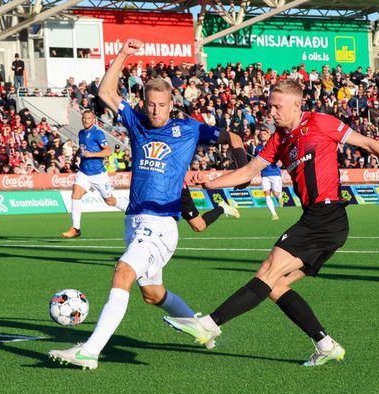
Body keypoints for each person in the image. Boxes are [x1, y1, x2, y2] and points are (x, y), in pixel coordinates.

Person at [163, 79, 379, 366]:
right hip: (320, 220)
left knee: (267, 271)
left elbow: (369, 143)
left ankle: (209, 323)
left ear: (297, 104)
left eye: (276, 106)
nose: (271, 112)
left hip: (326, 216)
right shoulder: (279, 140)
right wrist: (212, 182)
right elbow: (247, 171)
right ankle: (325, 344)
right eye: (269, 106)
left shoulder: (321, 122)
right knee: (275, 286)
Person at [49, 39, 240, 369]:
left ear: (170, 104)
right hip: (135, 220)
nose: (155, 110)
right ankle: (204, 331)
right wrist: (123, 54)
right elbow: (107, 93)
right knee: (153, 294)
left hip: (162, 223)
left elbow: (232, 138)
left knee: (122, 272)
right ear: (145, 102)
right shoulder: (136, 122)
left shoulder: (189, 128)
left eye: (161, 104)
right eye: (150, 104)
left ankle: (90, 351)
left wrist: (239, 170)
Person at [61, 110, 128, 238]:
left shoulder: (98, 133)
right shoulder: (81, 133)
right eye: (84, 118)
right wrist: (75, 157)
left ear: (93, 120)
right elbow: (82, 149)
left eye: (88, 118)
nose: (86, 120)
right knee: (76, 194)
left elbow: (108, 151)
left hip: (98, 174)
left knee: (109, 200)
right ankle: (76, 228)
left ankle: (130, 210)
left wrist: (92, 155)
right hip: (84, 172)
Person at [257, 125, 283, 220]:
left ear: (269, 135)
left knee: (276, 194)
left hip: (275, 173)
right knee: (267, 194)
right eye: (261, 134)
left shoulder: (274, 145)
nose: (262, 136)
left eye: (264, 134)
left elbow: (280, 159)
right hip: (264, 174)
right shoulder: (258, 148)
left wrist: (279, 160)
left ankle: (279, 196)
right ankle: (274, 214)